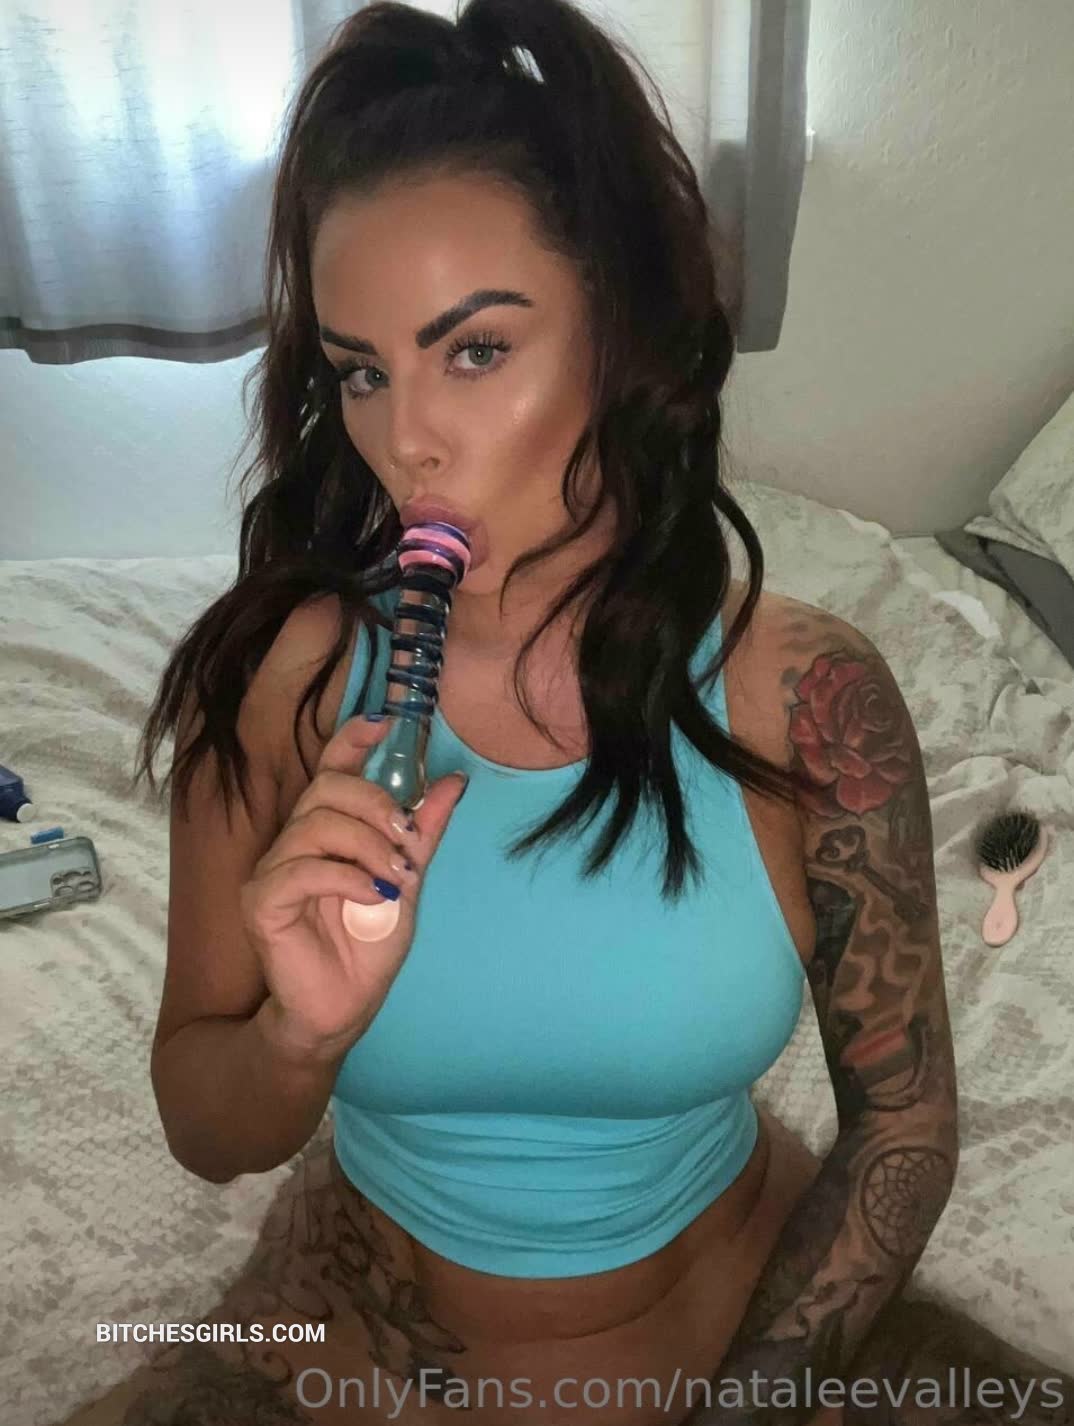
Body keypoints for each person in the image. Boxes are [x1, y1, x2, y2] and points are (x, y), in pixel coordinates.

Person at [64, 1, 1072, 1423]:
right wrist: (297, 1040)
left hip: (744, 1328)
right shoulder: (281, 687)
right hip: (355, 1339)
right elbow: (205, 1123)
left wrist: (749, 1407)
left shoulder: (809, 695)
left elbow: (901, 1127)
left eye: (474, 350)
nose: (403, 439)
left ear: (622, 336)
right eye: (361, 370)